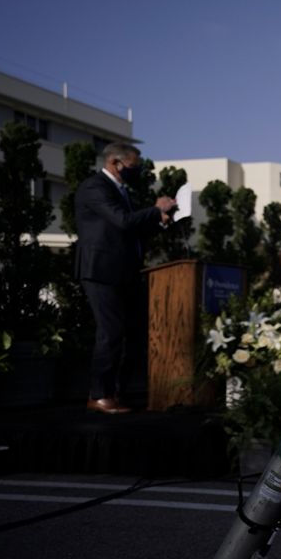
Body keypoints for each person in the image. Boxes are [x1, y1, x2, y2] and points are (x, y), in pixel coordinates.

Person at [74, 142, 177, 414]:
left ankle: (117, 392)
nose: (138, 172)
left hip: (124, 270)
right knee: (111, 332)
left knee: (133, 333)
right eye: (134, 167)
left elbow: (130, 230)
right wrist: (156, 209)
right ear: (115, 163)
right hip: (100, 271)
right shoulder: (94, 187)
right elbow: (122, 221)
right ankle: (99, 395)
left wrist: (158, 221)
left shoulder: (121, 191)